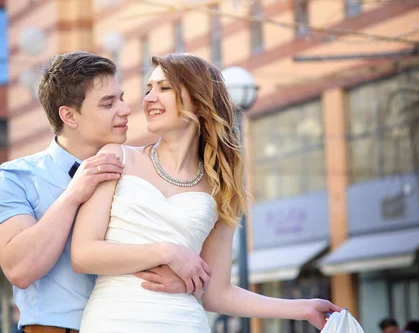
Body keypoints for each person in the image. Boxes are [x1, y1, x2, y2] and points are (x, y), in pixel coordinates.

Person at [71, 53, 342, 332]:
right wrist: (168, 252)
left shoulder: (221, 189)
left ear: (199, 100)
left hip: (183, 322)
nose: (150, 98)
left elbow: (217, 293)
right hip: (113, 321)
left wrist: (303, 308)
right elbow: (83, 255)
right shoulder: (117, 157)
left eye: (165, 88)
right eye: (149, 89)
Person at [0, 51, 210, 333]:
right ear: (69, 116)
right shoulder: (17, 177)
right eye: (108, 103)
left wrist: (185, 282)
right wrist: (73, 195)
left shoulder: (139, 172)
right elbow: (20, 269)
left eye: (121, 97)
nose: (125, 109)